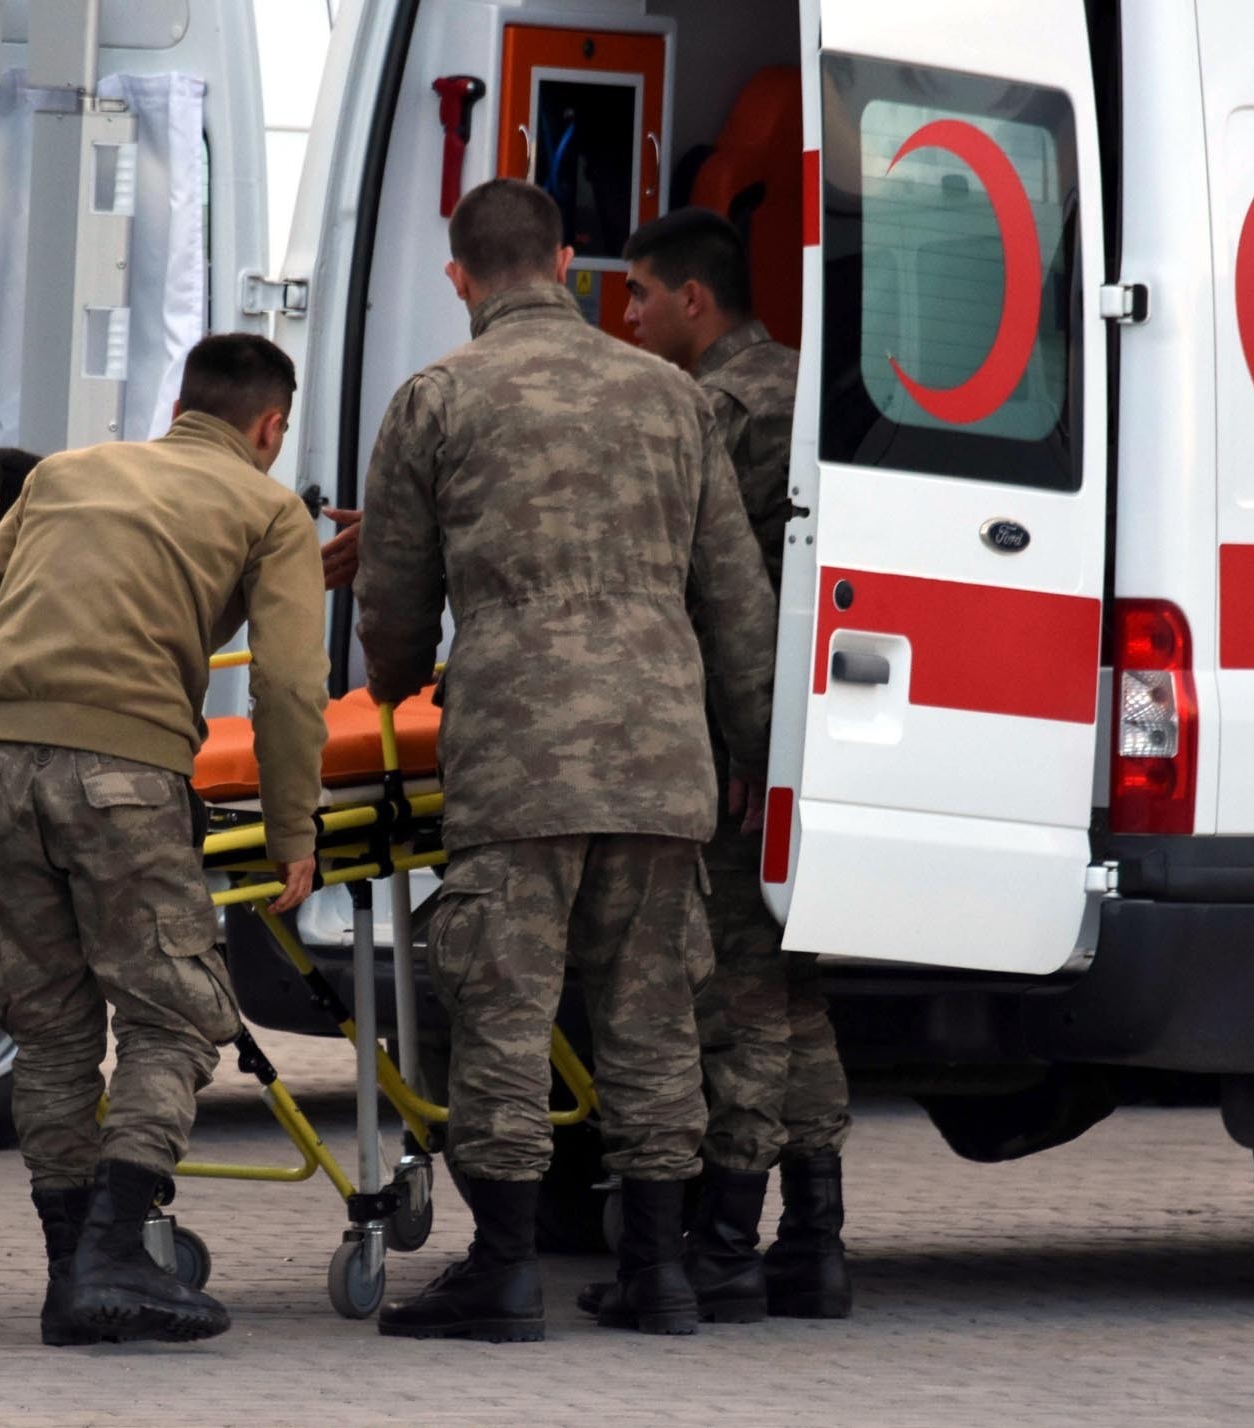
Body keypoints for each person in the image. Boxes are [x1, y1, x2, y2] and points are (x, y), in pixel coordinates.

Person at [355, 178, 778, 1343]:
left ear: (459, 276)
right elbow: (735, 596)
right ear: (565, 261)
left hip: (519, 758)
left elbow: (394, 597)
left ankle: (503, 1273)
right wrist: (748, 748)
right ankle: (660, 1274)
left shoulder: (437, 396)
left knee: (503, 1009)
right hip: (662, 758)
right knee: (653, 1016)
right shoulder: (672, 396)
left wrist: (394, 680)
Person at [0, 333, 329, 1348]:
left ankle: (72, 1275)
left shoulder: (65, 474)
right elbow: (286, 683)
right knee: (175, 1020)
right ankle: (111, 1251)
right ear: (270, 426)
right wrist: (292, 827)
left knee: (52, 1032)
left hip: (3, 771)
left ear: (181, 406)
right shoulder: (269, 508)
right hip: (126, 776)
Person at [583, 209, 857, 1324]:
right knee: (792, 991)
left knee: (739, 993)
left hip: (741, 736)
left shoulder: (718, 408)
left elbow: (723, 590)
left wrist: (742, 741)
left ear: (692, 298)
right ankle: (814, 1242)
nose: (629, 318)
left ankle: (730, 1246)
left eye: (640, 295)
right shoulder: (805, 388)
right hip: (805, 725)